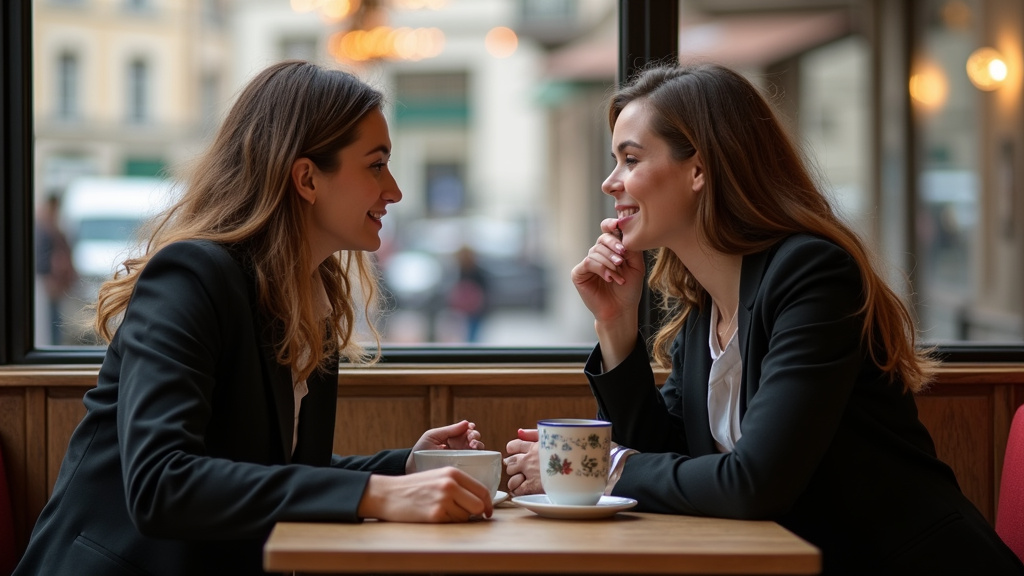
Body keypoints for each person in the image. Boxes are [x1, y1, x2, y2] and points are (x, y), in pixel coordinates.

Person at [503, 62, 1024, 575]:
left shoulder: (812, 275)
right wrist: (616, 326)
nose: (609, 182)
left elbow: (754, 482)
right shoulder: (705, 308)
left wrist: (605, 466)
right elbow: (667, 458)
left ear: (699, 170)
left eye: (630, 159)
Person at [14, 60, 494, 576]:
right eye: (376, 165)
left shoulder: (311, 297)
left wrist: (406, 467)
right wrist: (376, 493)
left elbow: (275, 473)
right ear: (307, 178)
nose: (394, 189)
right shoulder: (190, 277)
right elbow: (161, 484)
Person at [34, 192, 77, 345]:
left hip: (54, 283)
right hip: (49, 283)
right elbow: (41, 258)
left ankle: (54, 344)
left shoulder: (53, 228)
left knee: (54, 318)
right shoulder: (45, 229)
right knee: (50, 319)